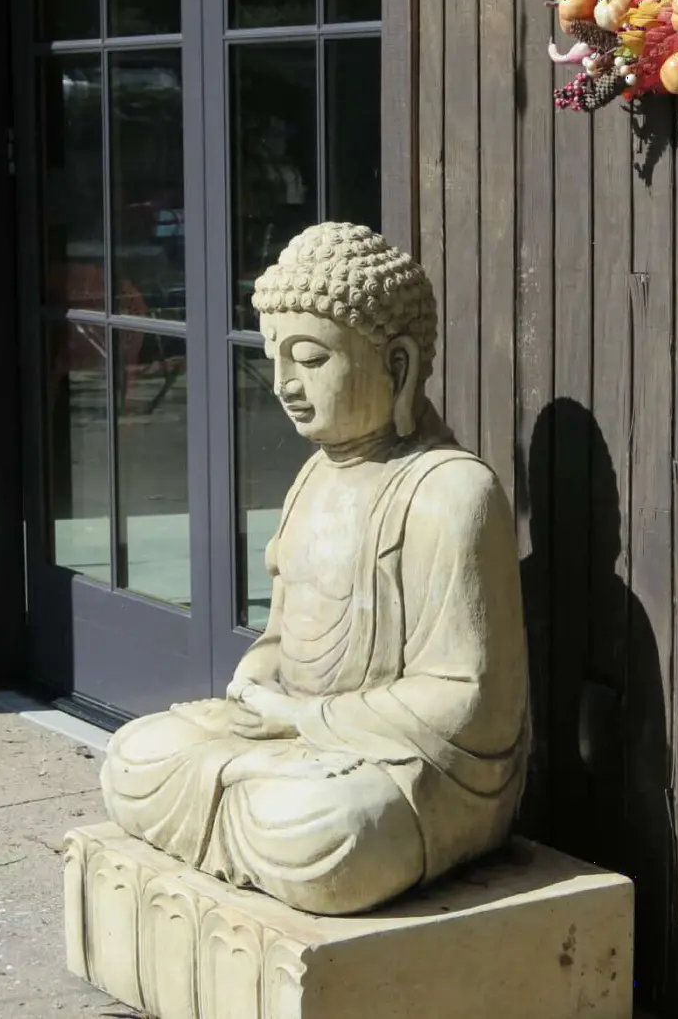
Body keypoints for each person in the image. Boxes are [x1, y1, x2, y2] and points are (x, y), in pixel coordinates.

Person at [101, 222, 530, 915]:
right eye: (275, 358)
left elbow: (475, 706)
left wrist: (308, 716)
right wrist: (261, 674)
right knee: (133, 756)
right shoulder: (311, 480)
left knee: (323, 833)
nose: (284, 385)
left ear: (398, 365)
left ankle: (265, 809)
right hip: (294, 740)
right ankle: (251, 792)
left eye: (309, 358)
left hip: (415, 767)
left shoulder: (453, 494)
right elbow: (288, 635)